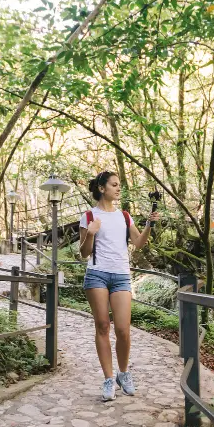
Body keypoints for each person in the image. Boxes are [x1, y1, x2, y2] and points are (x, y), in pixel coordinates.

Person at [78, 171, 160, 401]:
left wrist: (149, 225)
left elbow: (139, 243)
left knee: (123, 329)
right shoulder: (88, 216)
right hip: (97, 275)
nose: (118, 188)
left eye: (119, 185)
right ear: (102, 188)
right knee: (103, 326)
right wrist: (91, 234)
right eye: (114, 184)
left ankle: (123, 374)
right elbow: (84, 253)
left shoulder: (124, 216)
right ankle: (108, 378)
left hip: (122, 276)